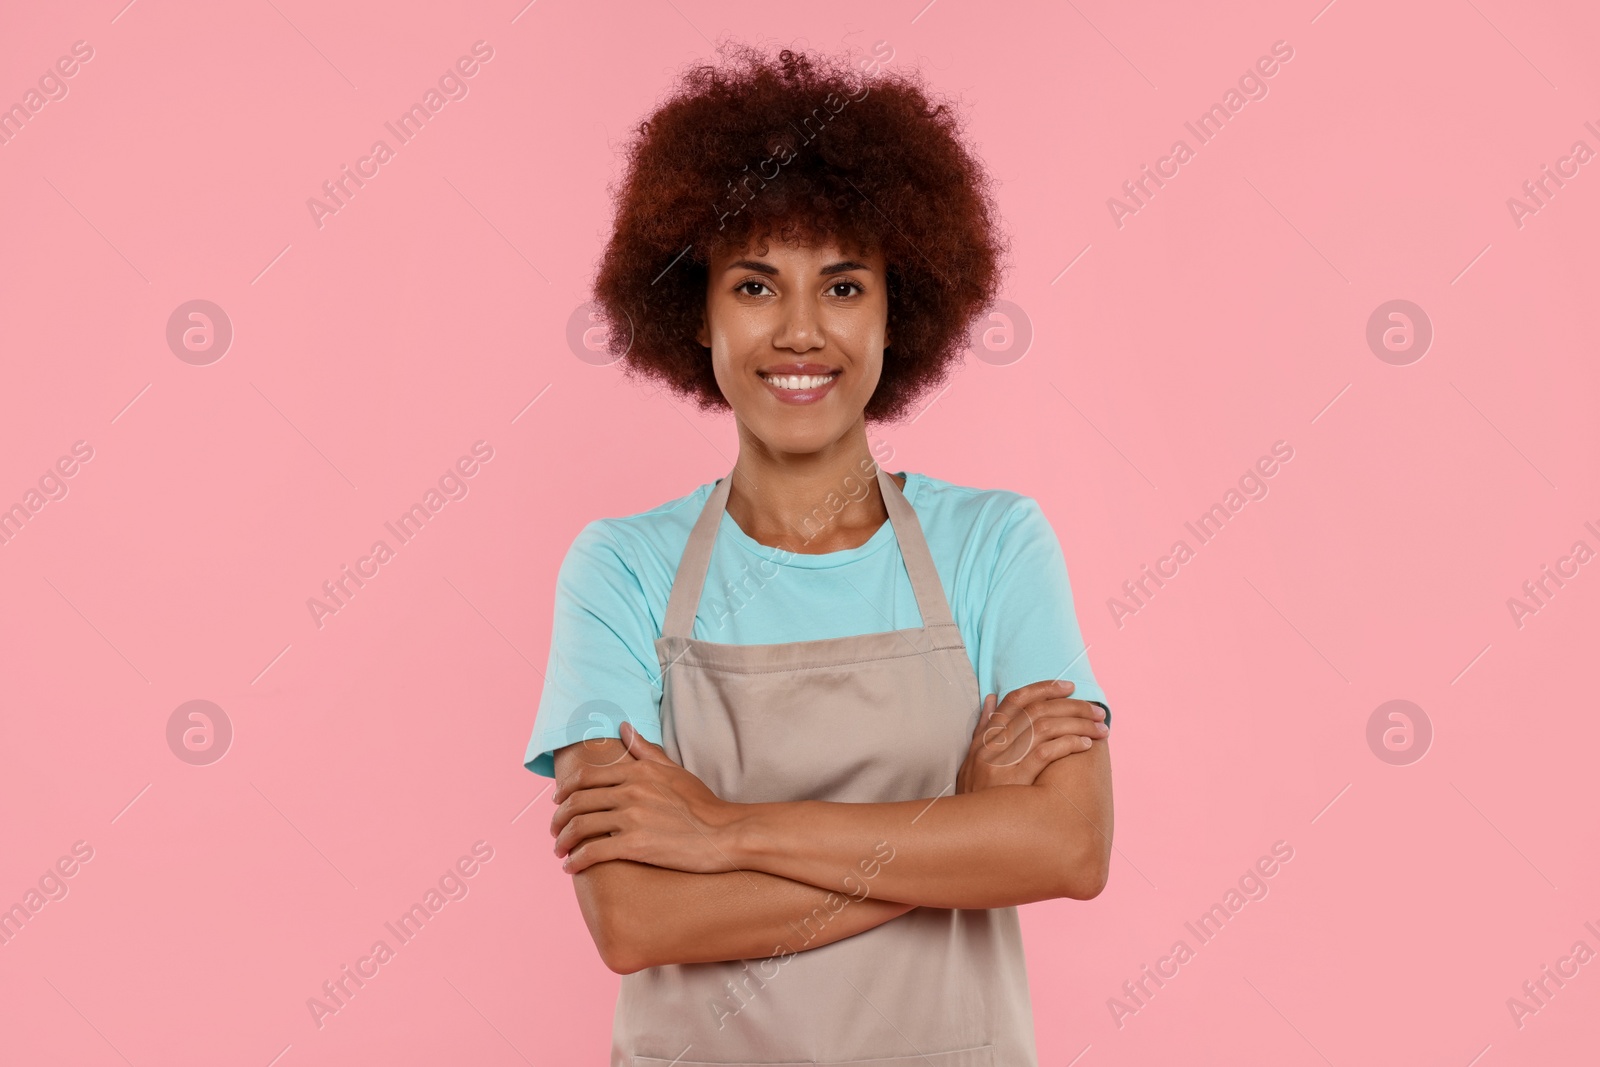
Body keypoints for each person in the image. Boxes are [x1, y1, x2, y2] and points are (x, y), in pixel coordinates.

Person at [524, 44, 1114, 1067]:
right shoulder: (619, 568)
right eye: (755, 286)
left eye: (842, 287)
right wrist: (957, 832)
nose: (800, 332)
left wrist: (723, 833)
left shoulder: (995, 544)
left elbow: (1068, 845)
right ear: (696, 310)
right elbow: (634, 920)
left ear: (898, 309)